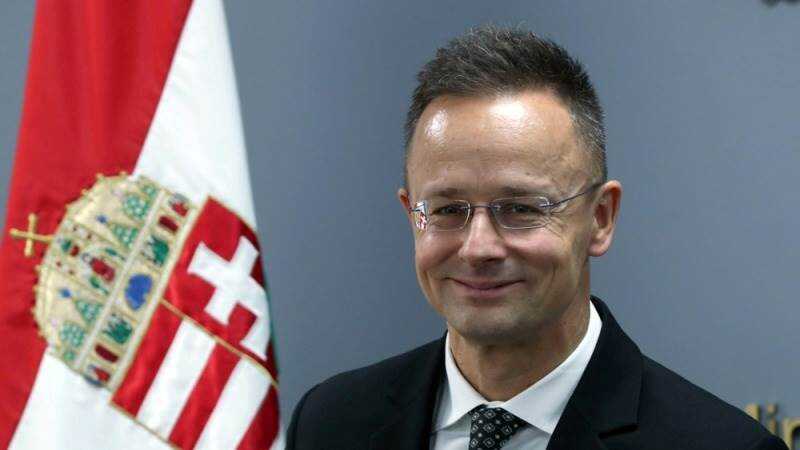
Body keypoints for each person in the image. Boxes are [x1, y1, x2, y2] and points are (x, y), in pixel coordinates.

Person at [286, 26, 787, 450]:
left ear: (600, 218)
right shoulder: (330, 424)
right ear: (410, 214)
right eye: (447, 210)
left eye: (521, 209)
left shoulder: (721, 445)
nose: (478, 248)